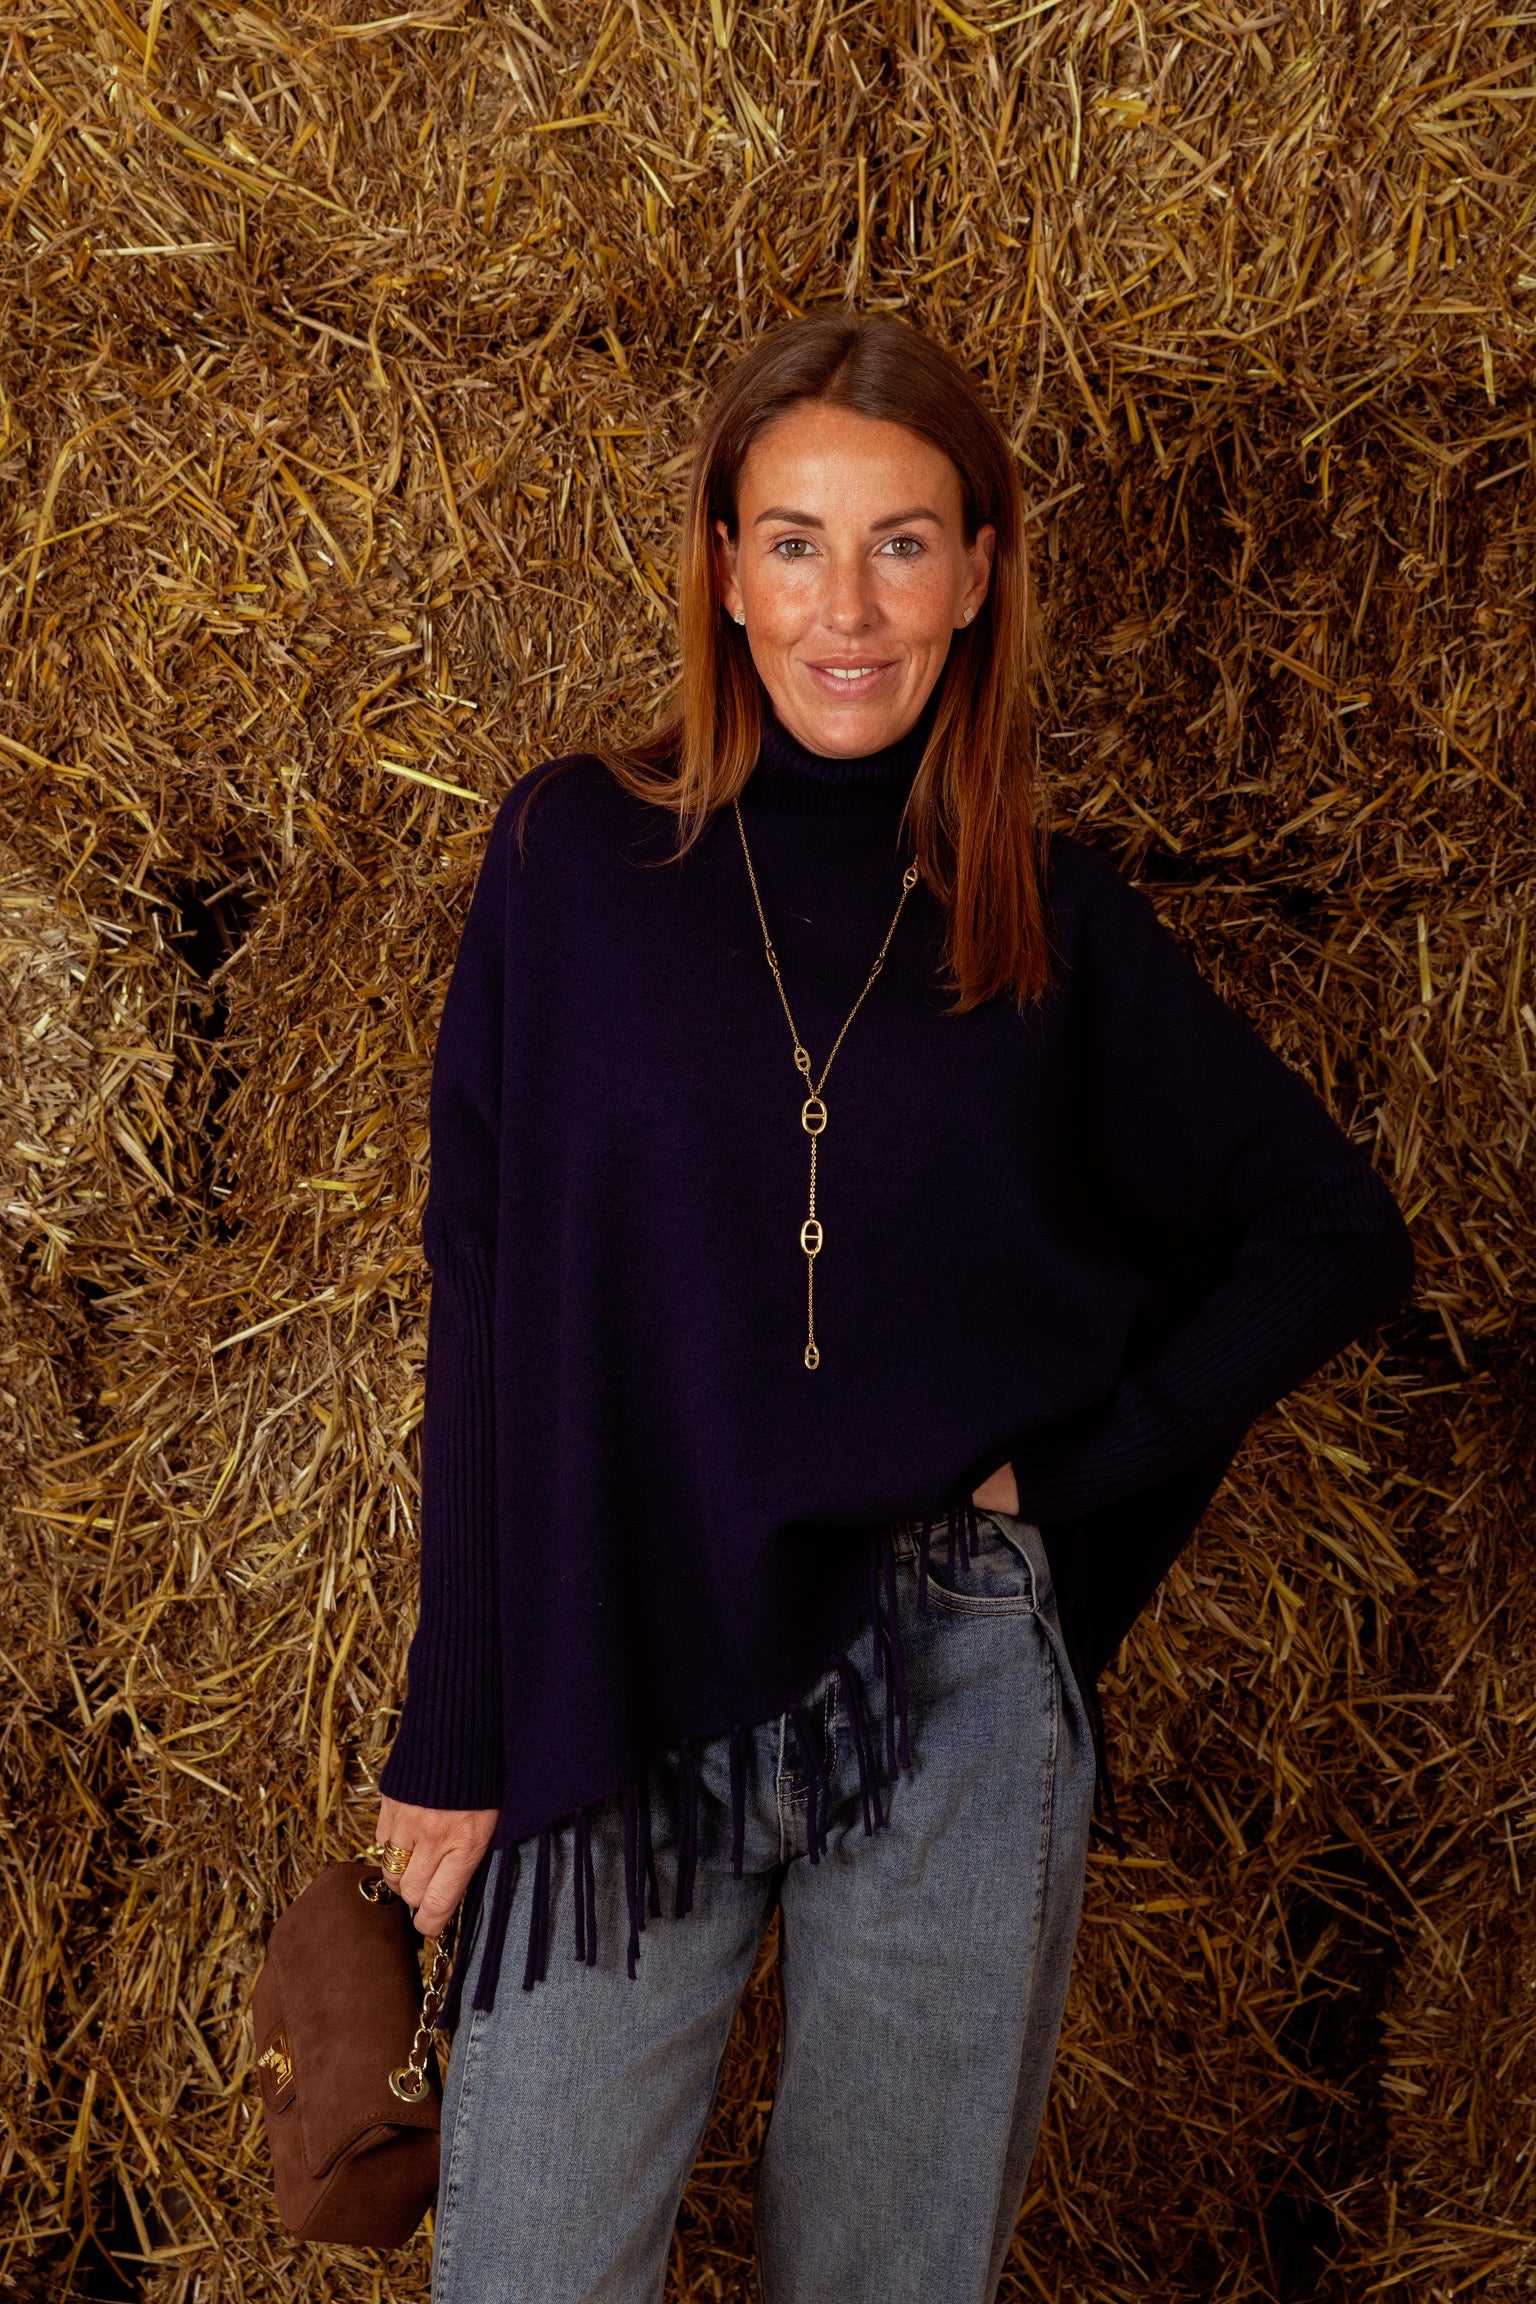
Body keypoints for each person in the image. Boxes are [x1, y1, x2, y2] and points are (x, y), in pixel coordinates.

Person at [371, 313, 1413, 2304]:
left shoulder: (1054, 917)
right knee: (529, 2275)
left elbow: (1331, 1234)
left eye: (903, 543)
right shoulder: (574, 855)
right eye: (795, 543)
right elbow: (485, 1291)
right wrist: (457, 1721)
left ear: (980, 571)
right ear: (722, 569)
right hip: (620, 1666)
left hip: (951, 1687)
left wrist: (1071, 1477)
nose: (846, 607)